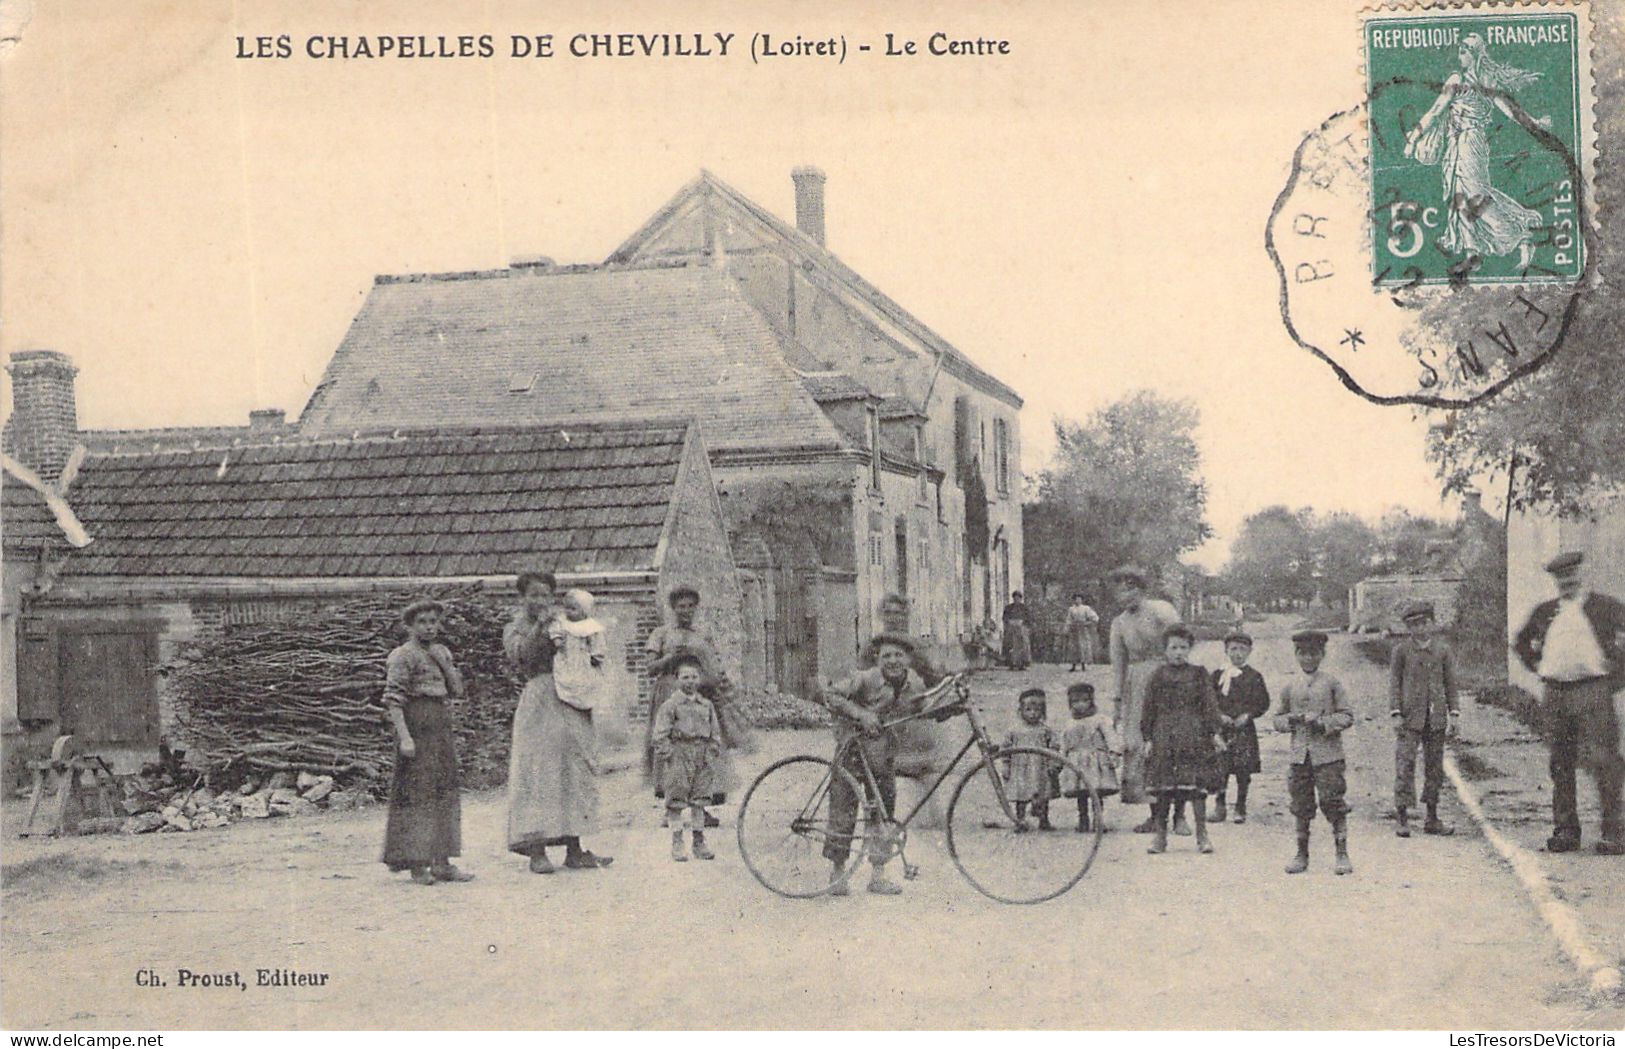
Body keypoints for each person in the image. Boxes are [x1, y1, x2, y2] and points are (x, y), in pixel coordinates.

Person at [1403, 33, 1552, 270]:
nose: (1460, 56)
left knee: (1476, 196)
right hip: (1454, 144)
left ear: (1475, 55)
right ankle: (1472, 252)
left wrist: (1534, 123)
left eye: (1465, 52)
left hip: (1472, 142)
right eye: (1459, 51)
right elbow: (1435, 111)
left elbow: (1509, 110)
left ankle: (1521, 236)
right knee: (1458, 194)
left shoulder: (1486, 81)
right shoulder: (1455, 79)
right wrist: (1414, 138)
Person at [1513, 552, 1625, 856]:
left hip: (1593, 692)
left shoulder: (1605, 608)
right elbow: (1521, 643)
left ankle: (1614, 833)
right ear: (1555, 580)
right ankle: (1565, 831)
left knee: (1604, 761)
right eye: (1561, 577)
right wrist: (1538, 667)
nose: (1567, 582)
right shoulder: (1545, 612)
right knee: (1561, 763)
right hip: (1556, 695)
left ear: (1581, 573)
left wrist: (1614, 679)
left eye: (1571, 575)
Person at [505, 571, 613, 874]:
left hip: (571, 697)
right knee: (538, 772)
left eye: (545, 595)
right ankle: (536, 850)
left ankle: (574, 849)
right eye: (533, 595)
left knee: (573, 769)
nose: (540, 601)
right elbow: (520, 656)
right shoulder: (516, 628)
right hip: (540, 699)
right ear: (523, 598)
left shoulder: (565, 621)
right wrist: (541, 627)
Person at [820, 634, 928, 896]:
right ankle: (838, 873)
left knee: (883, 814)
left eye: (898, 655)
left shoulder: (914, 683)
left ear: (908, 660)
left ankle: (878, 876)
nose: (892, 661)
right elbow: (831, 694)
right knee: (843, 810)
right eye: (886, 656)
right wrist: (861, 714)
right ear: (877, 660)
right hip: (852, 751)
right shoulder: (866, 679)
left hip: (883, 755)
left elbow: (924, 708)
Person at [381, 599, 472, 885]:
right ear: (409, 626)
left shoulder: (442, 652)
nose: (429, 627)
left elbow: (456, 690)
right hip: (416, 725)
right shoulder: (402, 655)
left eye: (434, 621)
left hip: (440, 726)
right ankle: (416, 863)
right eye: (422, 622)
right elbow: (393, 700)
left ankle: (442, 862)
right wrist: (405, 737)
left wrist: (445, 664)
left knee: (443, 791)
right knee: (417, 794)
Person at [643, 586, 739, 827]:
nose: (685, 611)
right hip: (669, 695)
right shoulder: (662, 634)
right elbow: (650, 667)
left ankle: (700, 808)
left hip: (698, 696)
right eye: (680, 606)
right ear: (673, 609)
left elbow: (714, 666)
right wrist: (671, 658)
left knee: (699, 749)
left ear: (696, 608)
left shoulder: (703, 635)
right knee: (672, 750)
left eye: (690, 606)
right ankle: (671, 808)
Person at [1274, 630, 1356, 875]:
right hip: (1300, 756)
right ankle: (1301, 854)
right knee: (1301, 804)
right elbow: (1277, 719)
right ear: (1296, 655)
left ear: (1322, 654)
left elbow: (1347, 716)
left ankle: (1342, 853)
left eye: (1313, 654)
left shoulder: (1332, 683)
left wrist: (1322, 722)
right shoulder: (1290, 686)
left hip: (1328, 756)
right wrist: (1292, 719)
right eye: (1303, 654)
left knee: (1332, 801)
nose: (1308, 658)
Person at [1107, 565, 1182, 828]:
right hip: (1137, 685)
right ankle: (1154, 814)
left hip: (1166, 678)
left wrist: (1183, 678)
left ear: (1141, 588)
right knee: (1141, 744)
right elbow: (1118, 666)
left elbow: (1181, 642)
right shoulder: (1119, 623)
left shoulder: (1162, 610)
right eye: (1121, 590)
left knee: (1171, 742)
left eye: (1132, 587)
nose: (1127, 594)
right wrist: (1117, 703)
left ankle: (1179, 814)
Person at [1141, 625, 1225, 856]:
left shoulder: (1199, 674)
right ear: (1165, 650)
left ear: (1190, 649)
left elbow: (1209, 705)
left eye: (1183, 647)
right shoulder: (1158, 675)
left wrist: (1214, 732)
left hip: (1193, 735)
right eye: (1173, 648)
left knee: (1196, 789)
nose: (1178, 652)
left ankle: (1202, 835)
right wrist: (1147, 737)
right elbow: (1148, 708)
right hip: (1164, 735)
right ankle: (1160, 837)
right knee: (1164, 790)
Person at [1389, 601, 1460, 838]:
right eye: (1414, 625)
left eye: (1423, 623)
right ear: (1408, 628)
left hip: (1436, 718)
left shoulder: (1443, 650)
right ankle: (1402, 816)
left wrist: (1454, 714)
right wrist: (1396, 713)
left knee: (1434, 767)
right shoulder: (1401, 651)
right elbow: (1395, 685)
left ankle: (1432, 816)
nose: (1419, 629)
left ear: (1432, 623)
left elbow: (1451, 684)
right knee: (1405, 764)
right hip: (1410, 718)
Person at [859, 593, 944, 779]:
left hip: (909, 722)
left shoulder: (914, 646)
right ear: (882, 616)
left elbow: (932, 677)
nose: (893, 618)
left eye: (897, 613)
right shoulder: (871, 646)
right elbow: (861, 681)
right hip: (882, 718)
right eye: (888, 613)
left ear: (905, 616)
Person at [652, 656, 723, 863]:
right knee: (676, 800)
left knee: (699, 800)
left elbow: (715, 733)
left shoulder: (706, 705)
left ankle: (699, 842)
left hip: (701, 755)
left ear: (699, 679)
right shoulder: (670, 705)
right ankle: (677, 842)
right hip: (679, 754)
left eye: (693, 677)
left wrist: (711, 751)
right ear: (677, 680)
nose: (690, 681)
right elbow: (659, 735)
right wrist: (670, 755)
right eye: (685, 677)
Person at [1211, 631, 1270, 825]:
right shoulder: (1218, 675)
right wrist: (1218, 715)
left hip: (1243, 730)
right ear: (1226, 650)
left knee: (1243, 769)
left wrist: (1248, 715)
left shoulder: (1254, 676)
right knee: (1221, 767)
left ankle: (1240, 806)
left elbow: (1263, 702)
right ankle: (1220, 806)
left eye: (1242, 649)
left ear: (1250, 651)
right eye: (1233, 649)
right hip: (1223, 729)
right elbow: (1207, 701)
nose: (1237, 654)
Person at [1060, 682, 1120, 833]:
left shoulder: (1100, 720)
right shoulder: (1070, 723)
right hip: (1077, 762)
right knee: (1081, 793)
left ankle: (1098, 820)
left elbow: (1110, 736)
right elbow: (1064, 742)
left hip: (1095, 761)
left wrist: (1114, 753)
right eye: (1076, 701)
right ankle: (1083, 820)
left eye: (1085, 701)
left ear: (1091, 701)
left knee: (1095, 792)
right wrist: (1060, 758)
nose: (1080, 705)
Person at [1003, 688, 1058, 831]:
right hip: (1020, 769)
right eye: (1028, 709)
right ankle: (1019, 820)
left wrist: (1053, 764)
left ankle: (1044, 820)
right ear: (1020, 710)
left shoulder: (1046, 730)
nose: (1033, 714)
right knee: (1021, 796)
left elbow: (1054, 747)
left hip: (1040, 768)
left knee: (1043, 794)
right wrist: (1006, 766)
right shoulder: (1014, 731)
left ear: (1043, 711)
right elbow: (1006, 750)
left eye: (1037, 710)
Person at [551, 588, 607, 714]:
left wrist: (596, 656)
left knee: (584, 682)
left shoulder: (591, 626)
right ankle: (568, 699)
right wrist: (557, 640)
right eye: (567, 608)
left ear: (584, 612)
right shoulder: (562, 622)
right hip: (566, 658)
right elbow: (555, 631)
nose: (568, 612)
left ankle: (583, 703)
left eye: (573, 609)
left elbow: (598, 643)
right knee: (566, 679)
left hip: (582, 660)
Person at [1066, 594, 1100, 672]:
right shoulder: (1071, 609)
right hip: (1074, 630)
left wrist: (1087, 623)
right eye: (1076, 599)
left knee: (1083, 646)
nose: (1078, 600)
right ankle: (1073, 665)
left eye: (1079, 599)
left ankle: (1083, 665)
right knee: (1074, 647)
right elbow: (1068, 619)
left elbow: (1095, 618)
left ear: (1081, 600)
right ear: (1074, 600)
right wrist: (1069, 626)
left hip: (1083, 630)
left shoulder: (1086, 608)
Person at [1001, 592, 1034, 671]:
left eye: (1018, 598)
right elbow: (1004, 618)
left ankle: (1022, 664)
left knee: (1022, 646)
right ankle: (1011, 664)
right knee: (1011, 645)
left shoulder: (1024, 608)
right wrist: (1009, 622)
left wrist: (1022, 622)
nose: (1016, 600)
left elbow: (1029, 618)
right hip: (1011, 630)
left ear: (1020, 599)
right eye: (1015, 598)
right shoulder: (1008, 608)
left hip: (1021, 630)